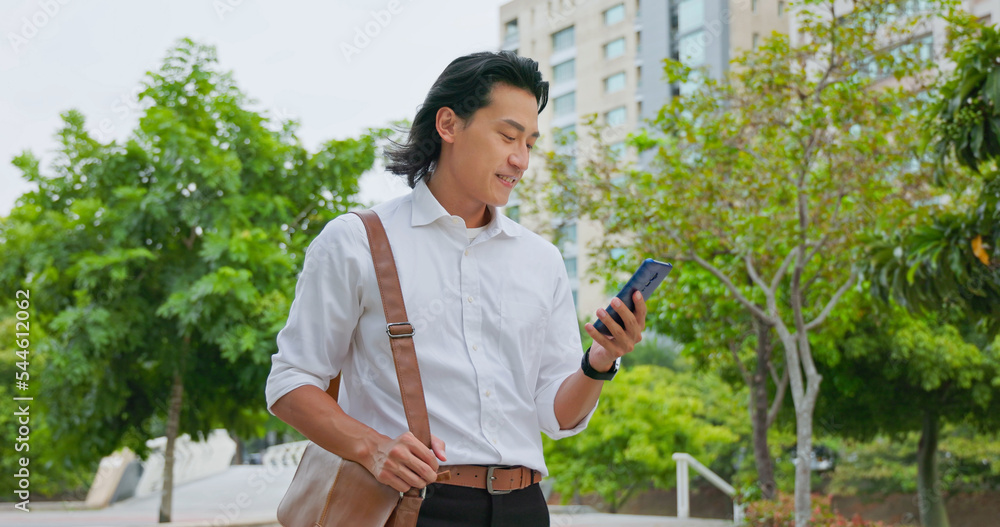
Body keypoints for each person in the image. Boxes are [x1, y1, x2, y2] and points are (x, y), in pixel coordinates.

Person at [265, 50, 647, 527]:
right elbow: (290, 382)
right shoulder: (356, 240)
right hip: (407, 505)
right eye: (507, 136)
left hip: (524, 508)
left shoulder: (541, 260)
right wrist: (373, 448)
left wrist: (600, 362)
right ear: (448, 124)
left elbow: (556, 415)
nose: (520, 159)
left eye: (530, 142)